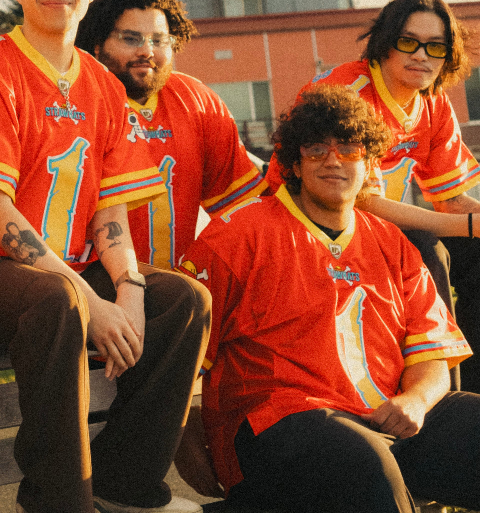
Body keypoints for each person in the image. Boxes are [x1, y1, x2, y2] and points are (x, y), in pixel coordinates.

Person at [0, 0, 211, 513]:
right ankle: (59, 502)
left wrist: (130, 291)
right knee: (59, 302)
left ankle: (124, 487)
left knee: (182, 300)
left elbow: (109, 207)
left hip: (74, 273)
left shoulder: (102, 86)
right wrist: (92, 298)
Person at [179, 84, 480, 513]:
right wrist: (191, 448)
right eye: (317, 148)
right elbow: (181, 363)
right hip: (284, 422)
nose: (333, 159)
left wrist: (415, 401)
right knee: (365, 465)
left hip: (387, 414)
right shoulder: (235, 236)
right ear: (294, 164)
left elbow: (430, 355)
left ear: (370, 161)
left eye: (349, 148)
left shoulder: (392, 242)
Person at [264, 0, 480, 389]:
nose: (421, 55)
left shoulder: (432, 102)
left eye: (435, 47)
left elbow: (450, 199)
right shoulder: (349, 92)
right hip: (309, 227)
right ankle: (445, 393)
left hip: (372, 228)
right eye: (408, 41)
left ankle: (474, 389)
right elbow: (362, 201)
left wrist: (474, 223)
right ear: (385, 42)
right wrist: (468, 225)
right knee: (425, 247)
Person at [75, 0, 265, 271]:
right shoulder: (75, 102)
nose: (147, 51)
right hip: (88, 280)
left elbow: (242, 211)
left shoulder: (198, 101)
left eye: (159, 40)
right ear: (97, 44)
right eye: (131, 38)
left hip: (177, 290)